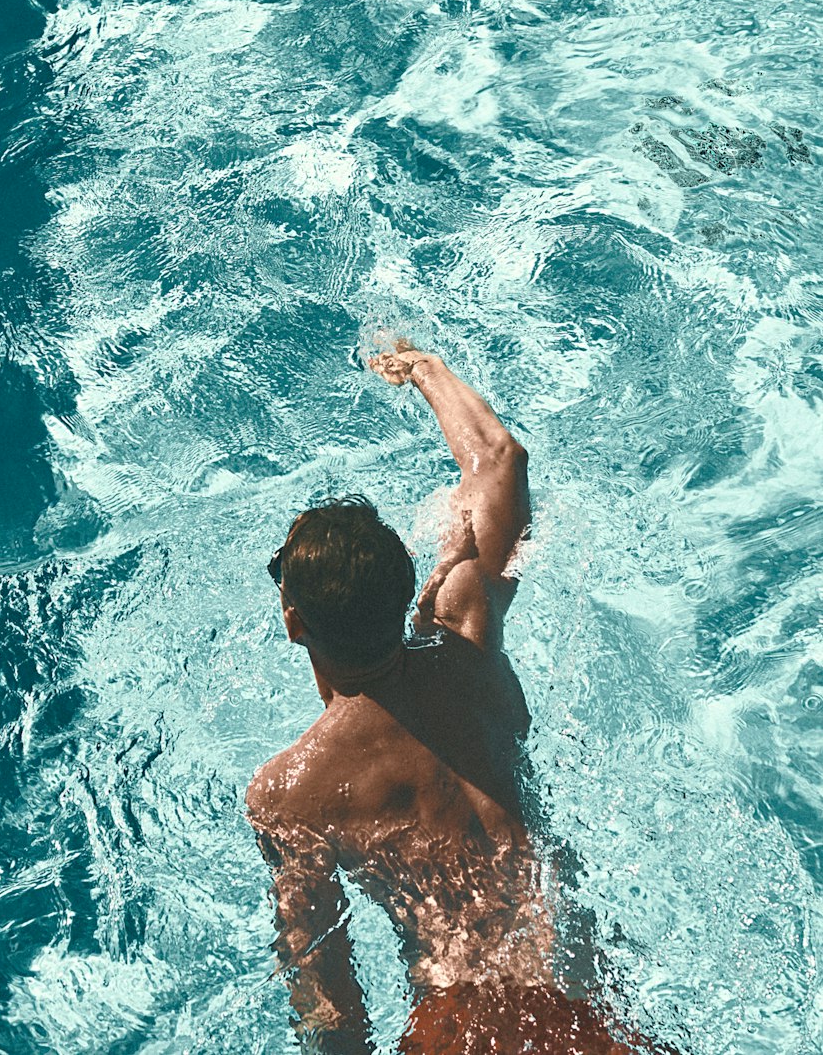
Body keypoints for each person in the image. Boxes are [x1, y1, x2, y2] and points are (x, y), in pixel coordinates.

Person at [246, 345, 643, 1055]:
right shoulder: (467, 640)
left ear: (294, 622)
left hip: (466, 1023)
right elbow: (501, 462)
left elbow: (327, 996)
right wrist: (419, 365)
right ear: (403, 594)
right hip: (581, 996)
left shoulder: (290, 793)